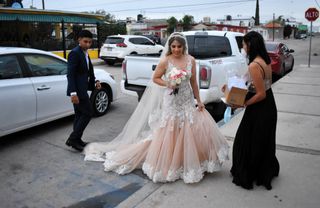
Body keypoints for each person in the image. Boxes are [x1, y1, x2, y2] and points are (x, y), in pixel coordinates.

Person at [84, 32, 229, 183]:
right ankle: (170, 162)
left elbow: (193, 82)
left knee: (189, 128)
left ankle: (188, 160)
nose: (176, 49)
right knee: (170, 129)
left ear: (184, 46)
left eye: (179, 46)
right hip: (171, 100)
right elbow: (155, 78)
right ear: (170, 47)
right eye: (173, 46)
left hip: (186, 99)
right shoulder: (166, 61)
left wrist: (198, 100)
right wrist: (169, 83)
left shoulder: (191, 60)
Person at [227, 31, 279, 190]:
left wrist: (245, 103)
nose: (242, 47)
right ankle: (262, 171)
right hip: (269, 104)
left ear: (250, 45)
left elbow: (260, 93)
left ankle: (249, 174)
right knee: (261, 141)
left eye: (243, 44)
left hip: (260, 108)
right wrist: (231, 88)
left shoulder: (254, 65)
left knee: (245, 141)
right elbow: (260, 85)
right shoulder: (265, 60)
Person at [66, 30, 101, 152]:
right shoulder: (74, 53)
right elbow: (70, 75)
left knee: (79, 115)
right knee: (88, 113)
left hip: (82, 89)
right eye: (85, 41)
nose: (88, 44)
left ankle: (77, 140)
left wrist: (95, 81)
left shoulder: (85, 53)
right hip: (78, 91)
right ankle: (72, 139)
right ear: (79, 40)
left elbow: (87, 71)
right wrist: (73, 93)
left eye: (90, 42)